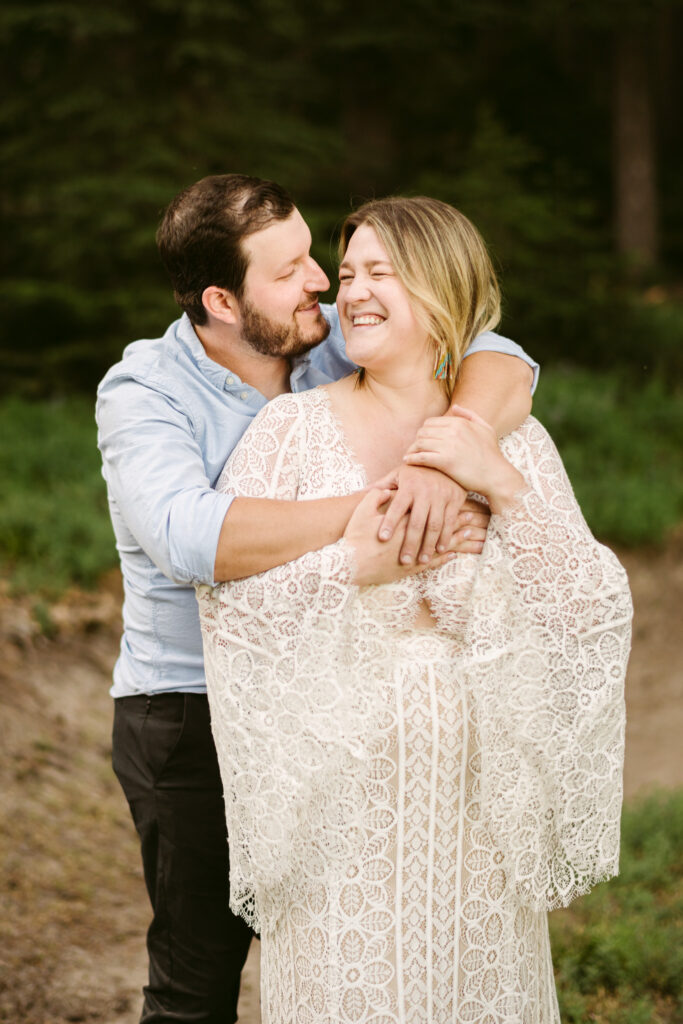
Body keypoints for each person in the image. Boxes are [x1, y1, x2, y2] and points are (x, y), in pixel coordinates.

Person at [96, 175, 538, 1024]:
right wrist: (380, 507)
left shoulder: (327, 337)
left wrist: (440, 456)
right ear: (222, 301)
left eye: (313, 257)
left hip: (331, 693)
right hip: (187, 709)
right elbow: (192, 539)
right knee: (196, 980)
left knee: (346, 954)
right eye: (291, 269)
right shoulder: (144, 391)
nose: (323, 285)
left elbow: (498, 351)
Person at [197, 196, 632, 1023]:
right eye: (347, 272)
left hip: (479, 824)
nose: (351, 292)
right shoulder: (287, 432)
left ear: (443, 292)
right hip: (335, 829)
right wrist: (354, 569)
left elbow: (587, 613)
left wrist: (496, 482)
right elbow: (229, 612)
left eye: (380, 273)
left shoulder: (513, 440)